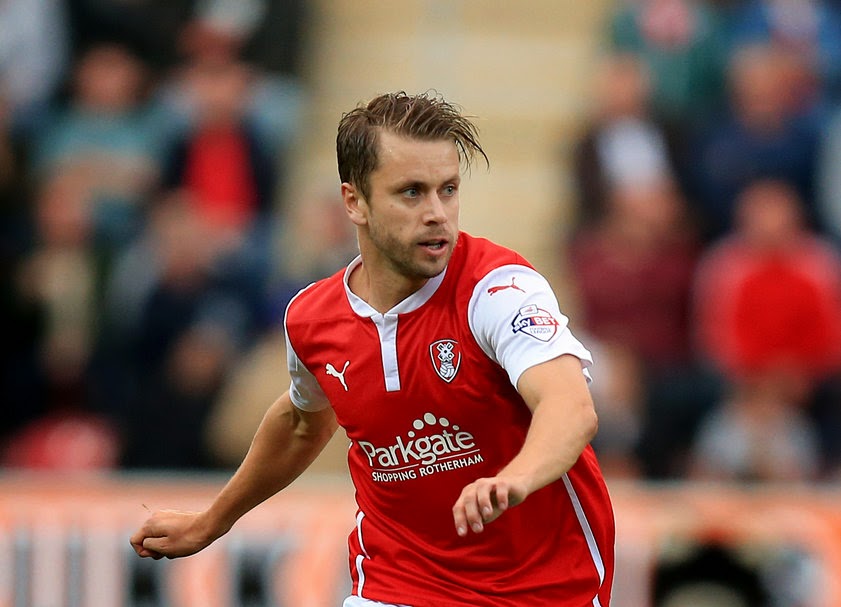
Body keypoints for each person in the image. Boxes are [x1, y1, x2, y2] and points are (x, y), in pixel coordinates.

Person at [130, 91, 615, 606]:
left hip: (543, 589)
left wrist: (515, 479)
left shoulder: (497, 289)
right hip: (398, 583)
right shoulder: (311, 319)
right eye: (411, 193)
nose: (437, 214)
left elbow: (570, 406)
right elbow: (302, 421)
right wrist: (211, 521)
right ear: (354, 202)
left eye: (448, 190)